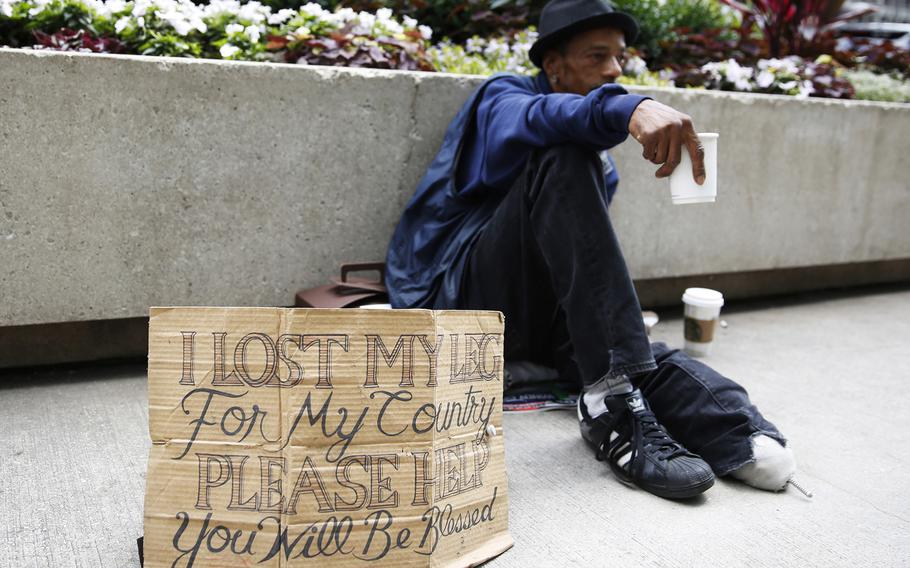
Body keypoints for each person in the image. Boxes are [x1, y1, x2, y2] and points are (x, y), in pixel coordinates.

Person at [385, 0, 796, 499]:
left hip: (538, 325)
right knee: (563, 154)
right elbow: (543, 118)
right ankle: (610, 409)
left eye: (619, 58)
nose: (613, 70)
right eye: (596, 56)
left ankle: (739, 436)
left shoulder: (598, 164)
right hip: (458, 299)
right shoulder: (504, 99)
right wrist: (628, 107)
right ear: (553, 66)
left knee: (631, 353)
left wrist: (607, 321)